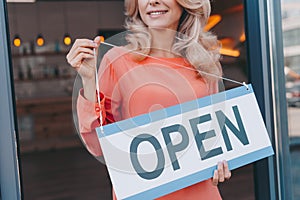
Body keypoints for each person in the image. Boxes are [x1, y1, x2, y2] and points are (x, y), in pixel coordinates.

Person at [66, 0, 231, 199]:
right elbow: (98, 145)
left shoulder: (204, 63)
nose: (153, 1)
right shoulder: (117, 60)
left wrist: (223, 163)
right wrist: (89, 79)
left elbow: (217, 137)